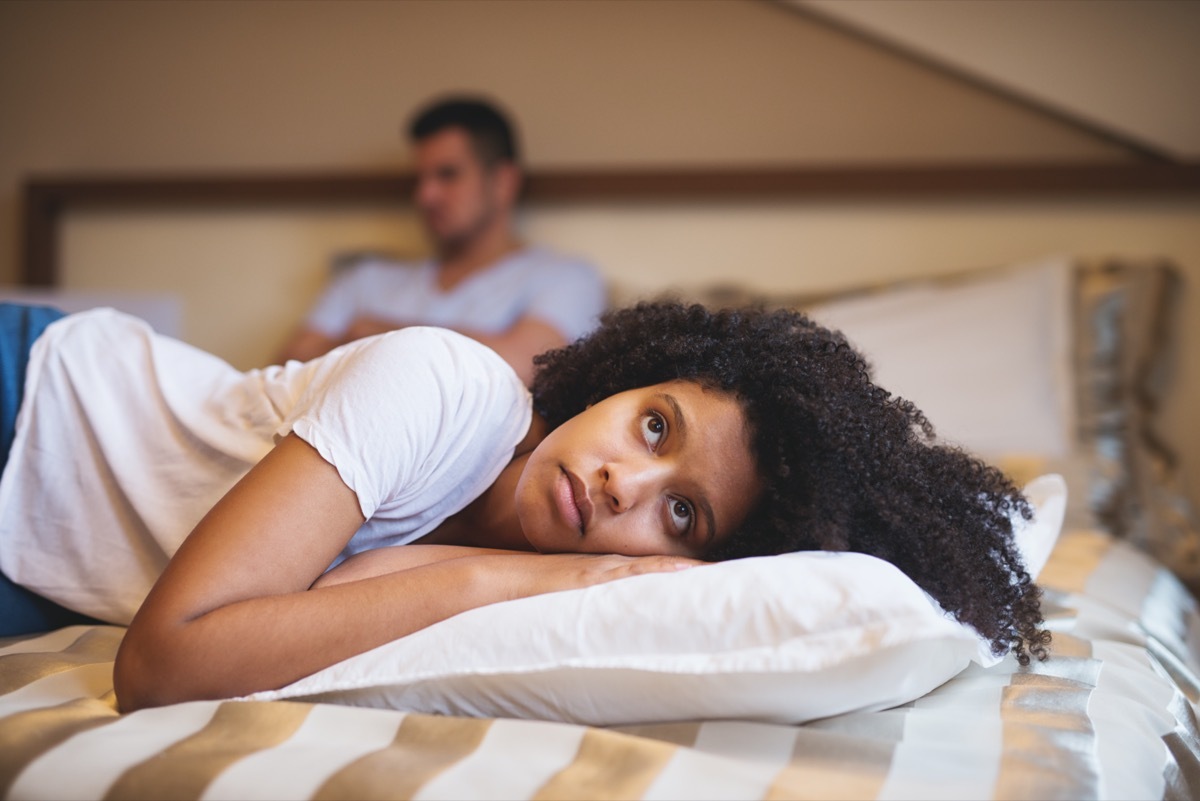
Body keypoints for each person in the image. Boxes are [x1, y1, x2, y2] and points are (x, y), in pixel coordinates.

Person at [0, 299, 1049, 713]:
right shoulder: (444, 389)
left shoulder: (527, 573)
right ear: (616, 382)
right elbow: (164, 665)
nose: (622, 486)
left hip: (34, 576)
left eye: (680, 516)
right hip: (28, 410)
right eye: (653, 427)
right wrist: (543, 573)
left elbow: (335, 600)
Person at [275, 95, 606, 383]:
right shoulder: (365, 278)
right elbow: (282, 372)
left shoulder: (566, 277)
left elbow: (525, 366)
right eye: (419, 179)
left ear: (504, 182)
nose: (425, 195)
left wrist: (371, 335)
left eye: (448, 175)